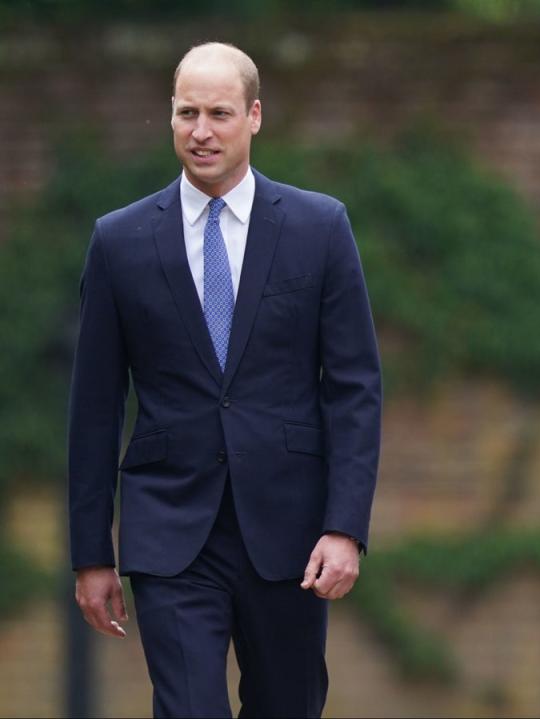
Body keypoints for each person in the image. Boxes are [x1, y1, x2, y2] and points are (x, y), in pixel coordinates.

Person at [68, 42, 381, 718]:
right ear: (170, 118)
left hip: (292, 531)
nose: (201, 130)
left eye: (218, 112)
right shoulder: (119, 241)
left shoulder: (319, 227)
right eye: (187, 113)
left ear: (255, 116)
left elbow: (354, 386)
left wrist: (345, 526)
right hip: (170, 529)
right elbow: (94, 407)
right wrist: (91, 552)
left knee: (288, 704)